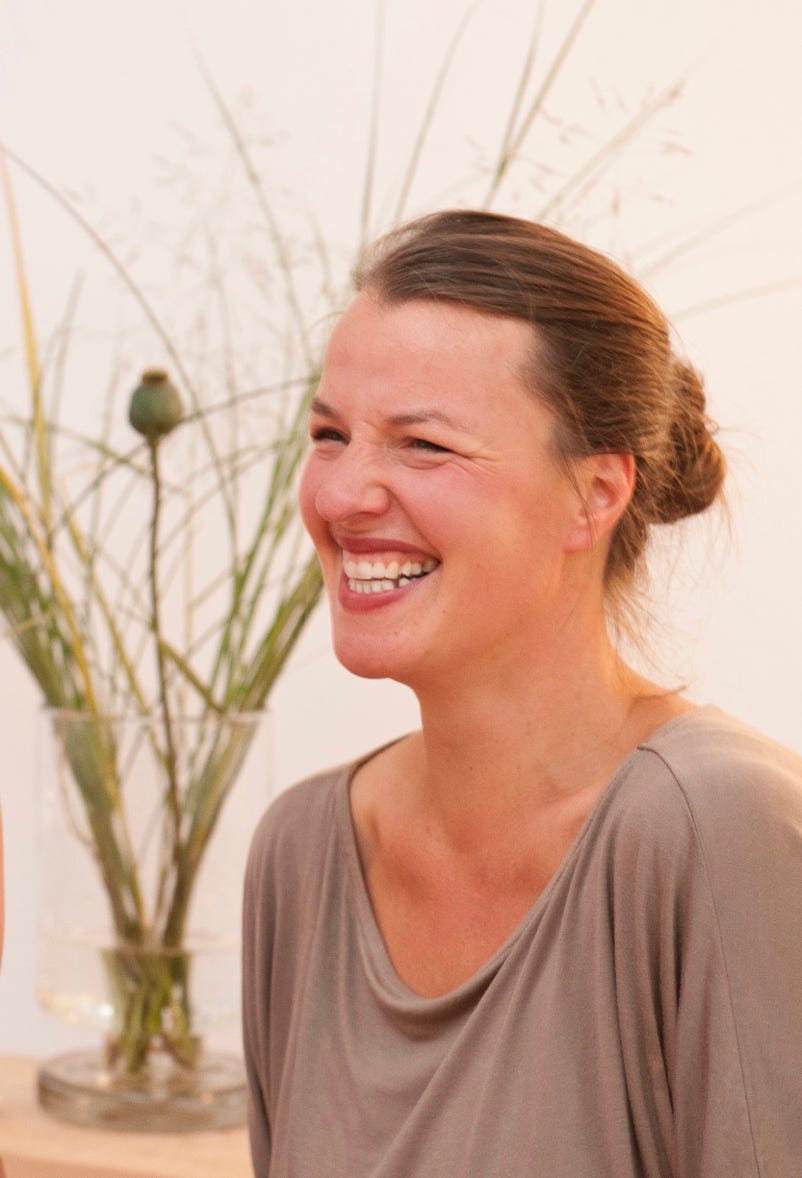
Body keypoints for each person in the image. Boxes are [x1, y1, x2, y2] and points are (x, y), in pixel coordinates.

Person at [242, 210, 802, 1177]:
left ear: (596, 493)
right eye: (330, 435)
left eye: (424, 445)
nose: (338, 497)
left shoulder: (717, 828)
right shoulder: (300, 855)